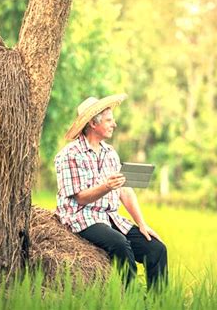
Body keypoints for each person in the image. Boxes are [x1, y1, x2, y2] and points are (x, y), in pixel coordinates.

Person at [54, 94, 167, 290]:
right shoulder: (69, 155)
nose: (114, 124)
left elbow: (125, 190)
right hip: (81, 218)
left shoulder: (110, 153)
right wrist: (106, 186)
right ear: (92, 123)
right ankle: (132, 299)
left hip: (109, 217)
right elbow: (80, 198)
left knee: (156, 248)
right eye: (109, 120)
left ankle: (158, 303)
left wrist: (142, 224)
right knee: (120, 244)